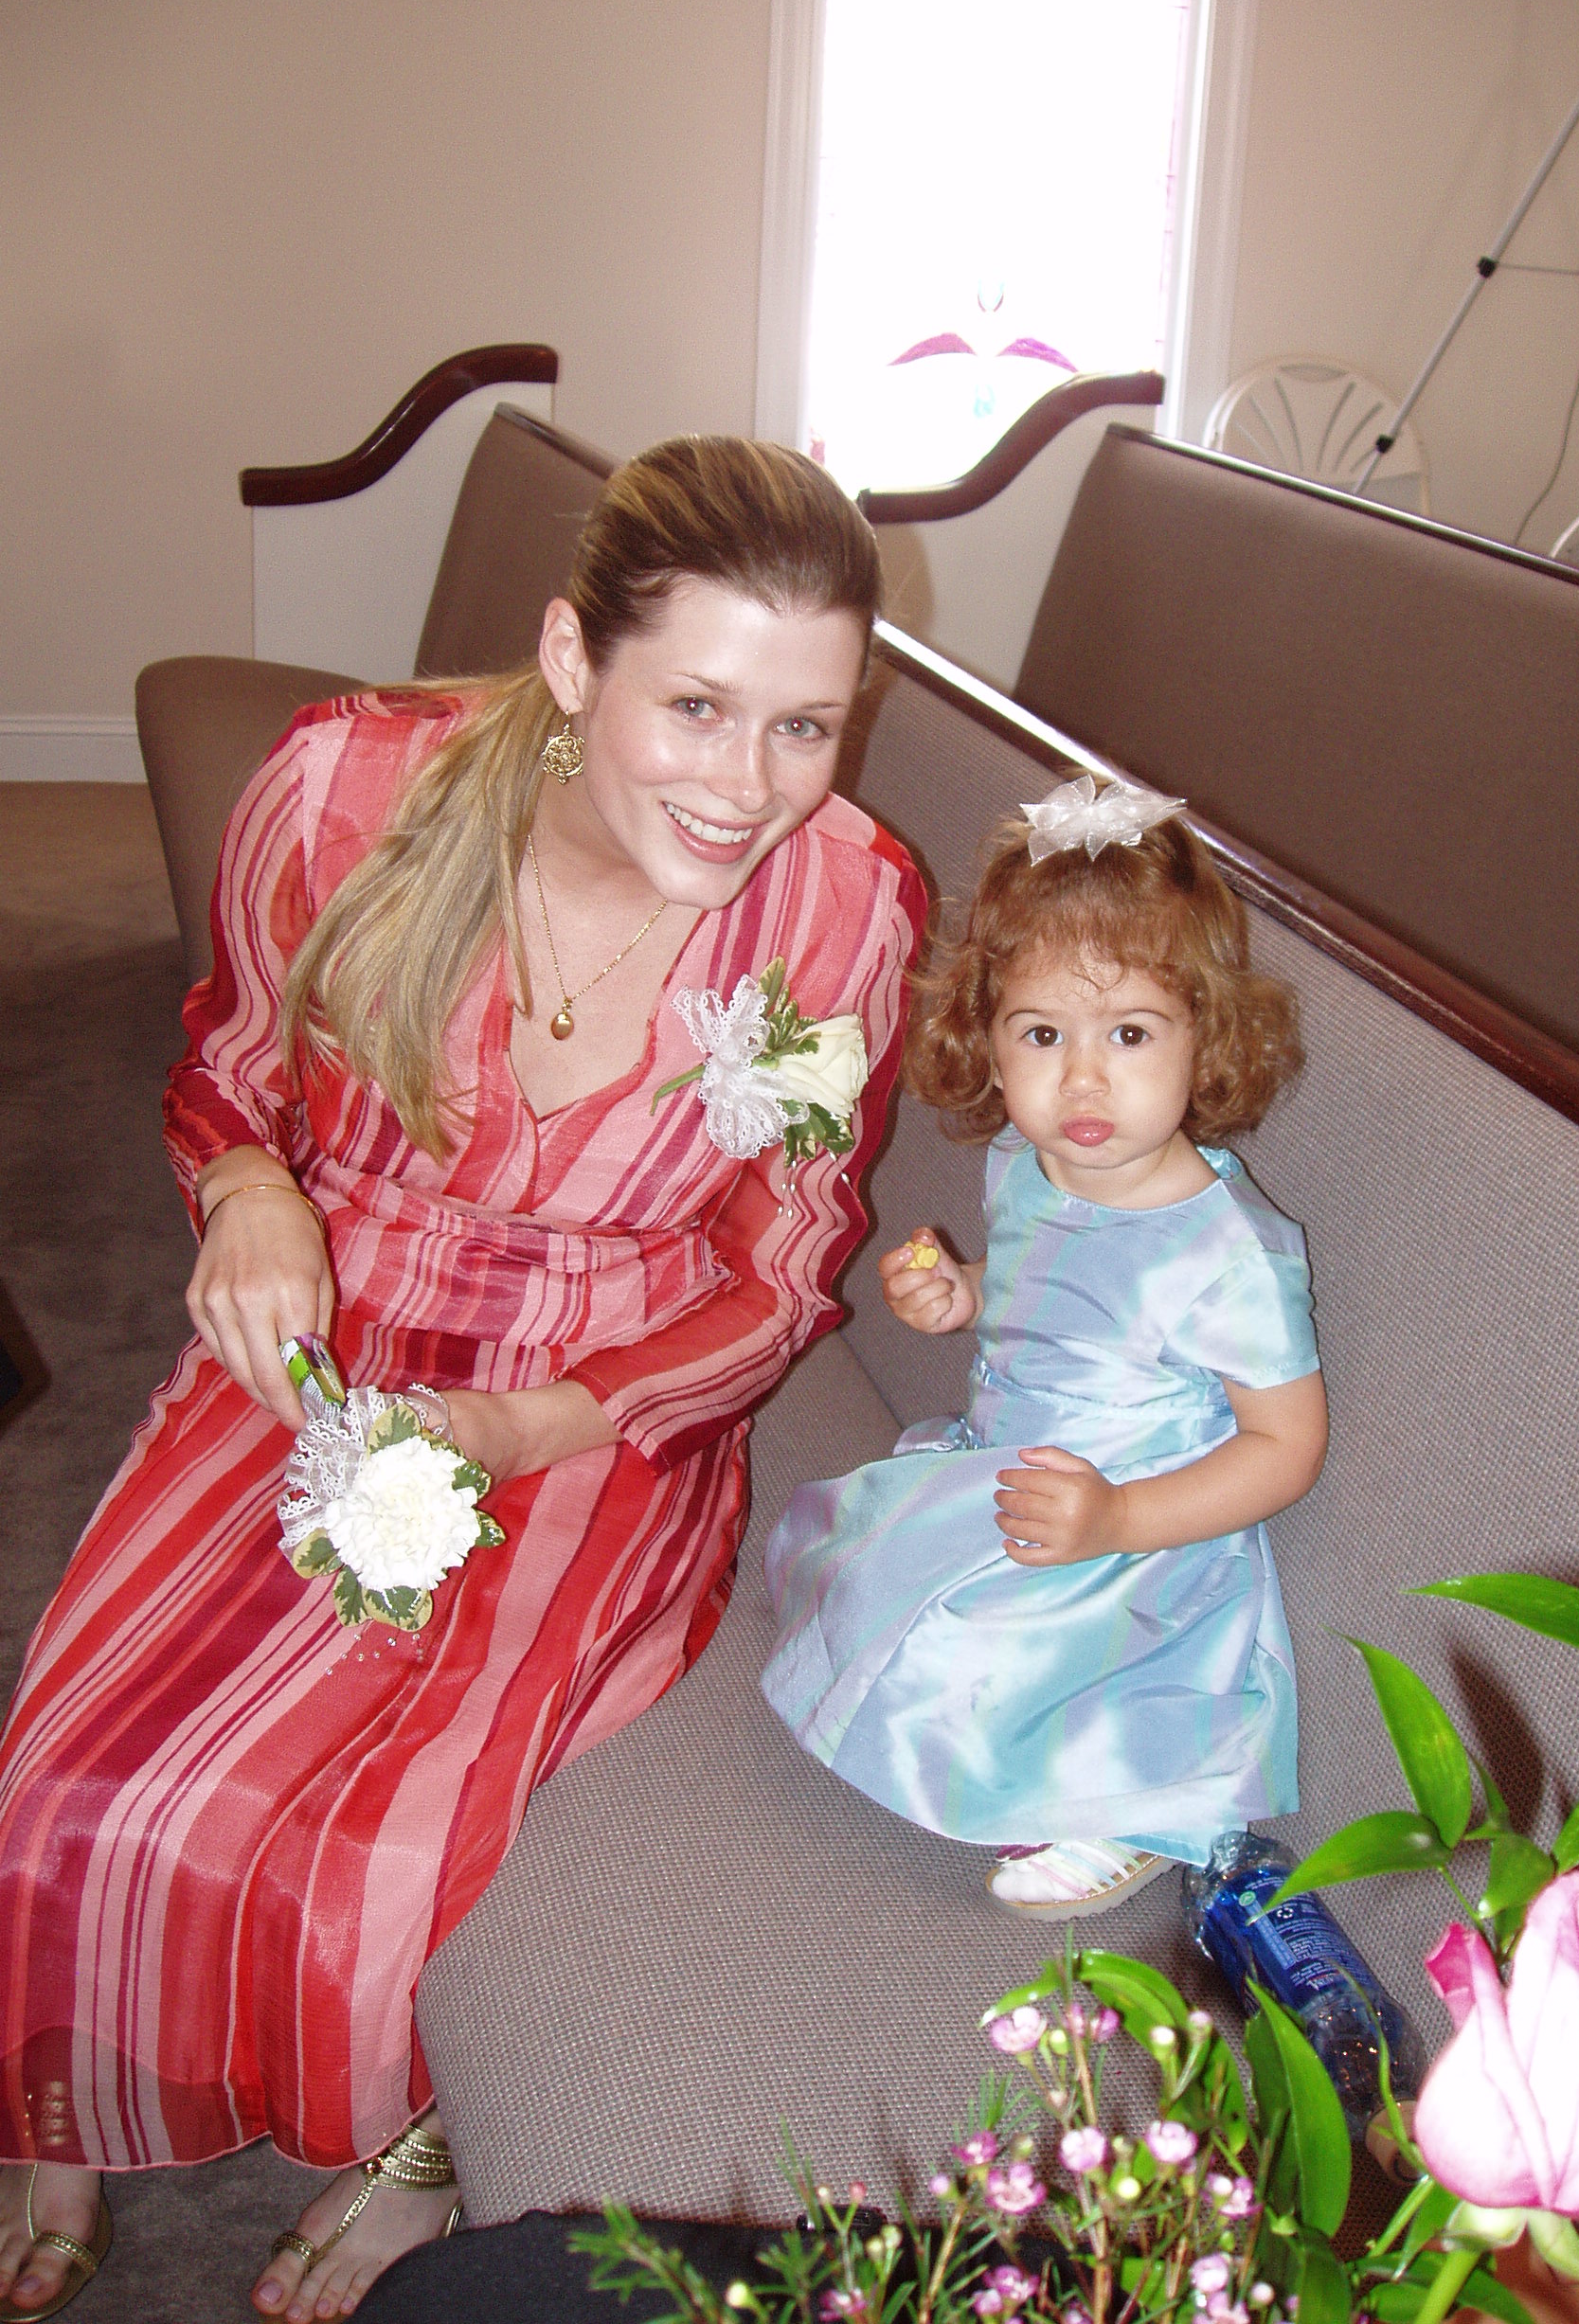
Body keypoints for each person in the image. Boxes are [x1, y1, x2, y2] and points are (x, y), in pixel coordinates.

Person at [0, 436, 926, 2320]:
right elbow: (231, 1065)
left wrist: (526, 1426)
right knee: (68, 1780)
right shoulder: (348, 792)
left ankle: (414, 2150)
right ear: (574, 659)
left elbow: (777, 1278)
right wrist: (253, 1192)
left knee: (400, 1839)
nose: (748, 786)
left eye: (806, 727)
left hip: (609, 1376)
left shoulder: (847, 903)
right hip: (340, 1307)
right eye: (698, 706)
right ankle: (60, 2102)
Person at [761, 779, 1328, 1919]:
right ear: (987, 1037)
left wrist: (1119, 1518)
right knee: (868, 1576)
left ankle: (1141, 1807)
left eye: (1130, 1033)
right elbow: (1044, 1298)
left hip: (1142, 1542)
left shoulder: (1228, 1251)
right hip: (1008, 1474)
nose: (1082, 1078)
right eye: (1041, 1033)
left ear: (1206, 1036)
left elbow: (1286, 1445)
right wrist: (961, 1293)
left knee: (1012, 1654)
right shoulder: (1027, 1166)